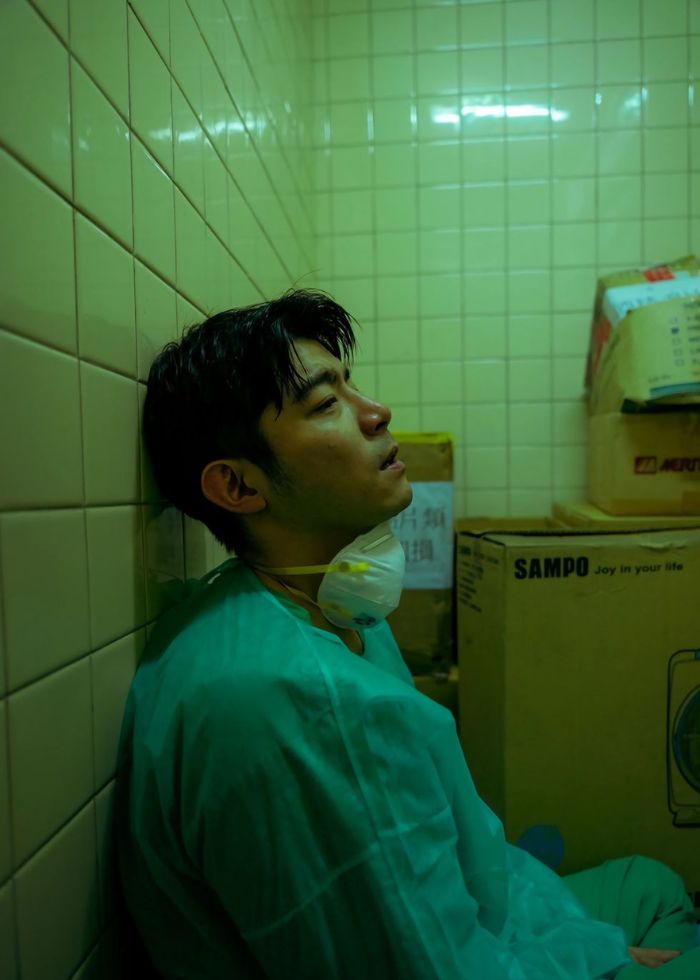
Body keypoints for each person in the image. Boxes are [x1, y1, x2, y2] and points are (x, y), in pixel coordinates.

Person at [115, 289, 699, 978]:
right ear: (238, 488)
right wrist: (593, 956)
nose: (376, 411)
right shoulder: (297, 703)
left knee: (650, 882)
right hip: (477, 956)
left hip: (483, 913)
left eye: (351, 385)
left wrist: (580, 941)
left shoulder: (319, 603)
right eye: (325, 404)